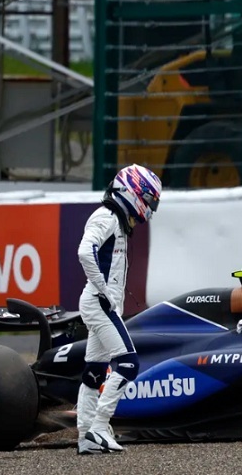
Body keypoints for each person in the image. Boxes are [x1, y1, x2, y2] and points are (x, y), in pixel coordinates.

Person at [76, 164, 162, 455]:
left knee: (95, 371)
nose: (150, 210)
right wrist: (102, 290)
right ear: (132, 191)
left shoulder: (116, 220)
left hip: (100, 302)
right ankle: (99, 427)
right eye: (149, 201)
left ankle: (86, 436)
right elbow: (84, 252)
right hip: (99, 303)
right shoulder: (106, 217)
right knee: (128, 363)